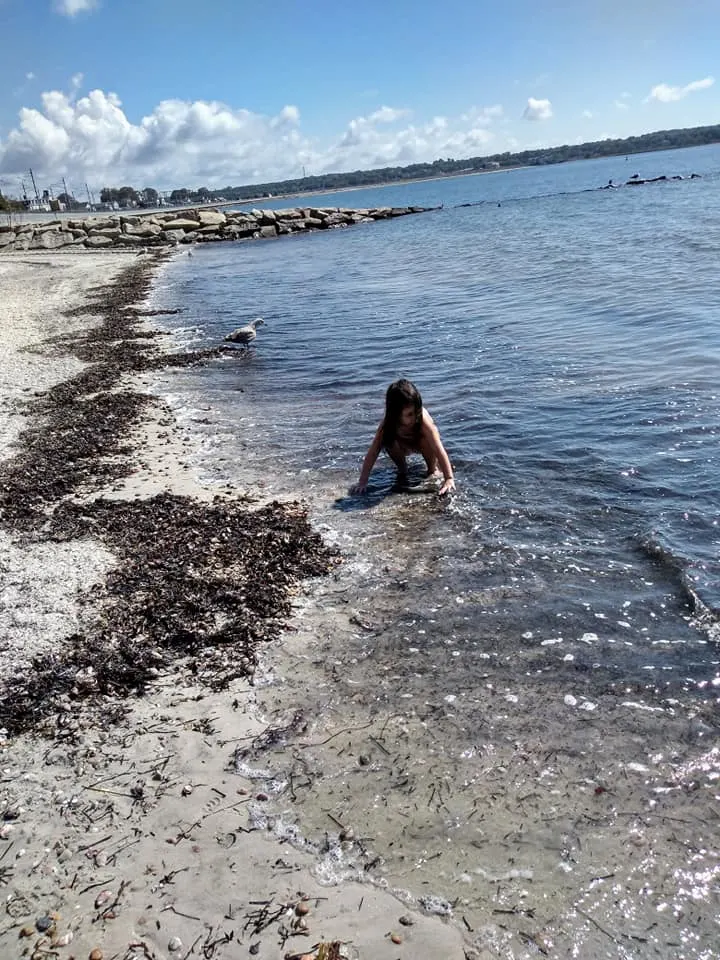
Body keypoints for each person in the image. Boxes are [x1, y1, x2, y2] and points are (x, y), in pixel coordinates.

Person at [352, 379, 455, 496]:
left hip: (421, 442)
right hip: (401, 444)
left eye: (417, 411)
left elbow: (438, 449)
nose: (415, 417)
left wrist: (449, 478)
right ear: (395, 414)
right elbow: (373, 451)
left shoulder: (422, 420)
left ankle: (432, 469)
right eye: (409, 414)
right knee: (389, 440)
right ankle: (403, 470)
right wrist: (362, 481)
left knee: (426, 440)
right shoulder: (388, 424)